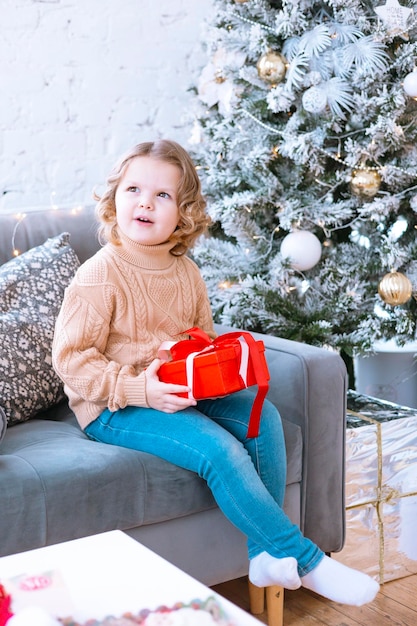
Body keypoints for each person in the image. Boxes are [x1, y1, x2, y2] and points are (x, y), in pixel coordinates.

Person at [52, 139, 379, 606]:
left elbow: (201, 340)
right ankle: (305, 560)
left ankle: (264, 555)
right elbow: (71, 362)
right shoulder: (99, 275)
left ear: (182, 212)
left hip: (180, 387)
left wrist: (193, 357)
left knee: (262, 420)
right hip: (114, 404)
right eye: (134, 189)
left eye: (163, 195)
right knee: (219, 450)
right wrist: (141, 387)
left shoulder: (186, 273)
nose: (145, 202)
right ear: (114, 199)